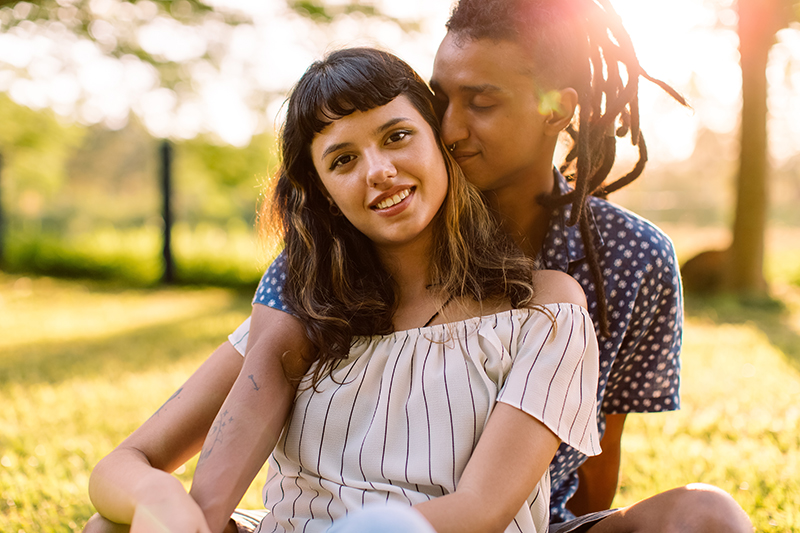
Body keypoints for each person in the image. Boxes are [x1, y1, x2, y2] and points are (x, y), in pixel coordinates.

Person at [85, 0, 754, 531]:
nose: (453, 126)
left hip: (506, 516)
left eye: (481, 102)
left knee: (705, 516)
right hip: (331, 521)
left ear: (559, 109)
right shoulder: (326, 263)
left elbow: (589, 466)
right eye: (441, 99)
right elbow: (213, 451)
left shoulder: (611, 266)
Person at [89, 47, 602, 533]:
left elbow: (483, 511)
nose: (378, 171)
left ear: (441, 144)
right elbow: (124, 466)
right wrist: (162, 500)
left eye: (397, 136)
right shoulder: (306, 311)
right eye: (343, 160)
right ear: (325, 195)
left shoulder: (543, 309)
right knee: (109, 526)